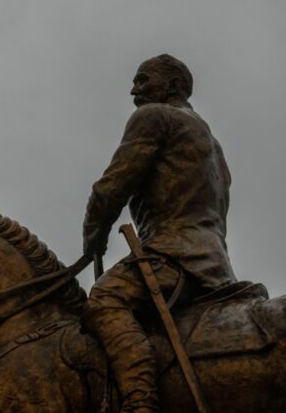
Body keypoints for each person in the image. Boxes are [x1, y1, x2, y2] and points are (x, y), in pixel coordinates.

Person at [81, 54, 237, 412]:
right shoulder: (214, 144)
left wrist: (94, 237)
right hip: (216, 265)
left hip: (174, 255)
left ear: (172, 86)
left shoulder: (154, 116)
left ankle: (140, 402)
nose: (133, 89)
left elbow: (111, 189)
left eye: (142, 80)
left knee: (105, 299)